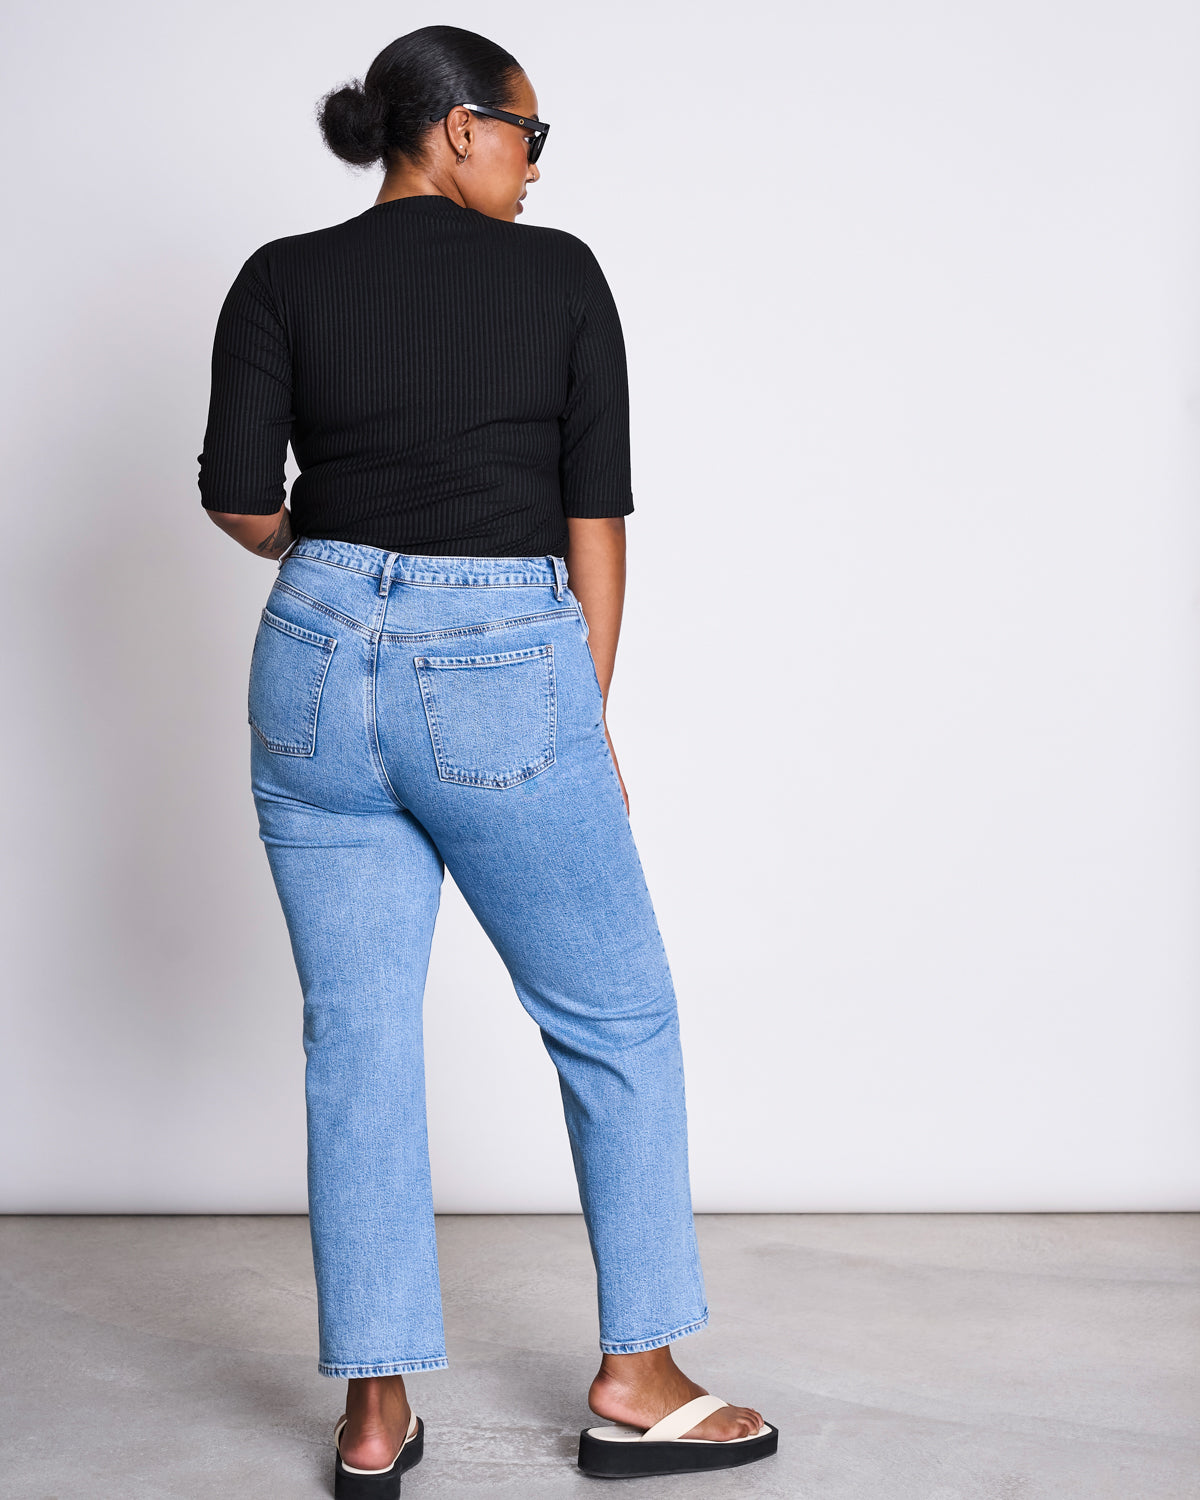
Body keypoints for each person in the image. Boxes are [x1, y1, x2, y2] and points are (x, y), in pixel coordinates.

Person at [197, 25, 776, 1494]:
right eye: (529, 133)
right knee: (617, 1017)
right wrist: (578, 712)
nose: (534, 162)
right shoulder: (560, 272)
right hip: (498, 659)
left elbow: (238, 500)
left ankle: (378, 1414)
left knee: (359, 1039)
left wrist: (335, 554)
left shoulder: (280, 276)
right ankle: (636, 1376)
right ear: (458, 130)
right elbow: (596, 514)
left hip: (311, 661)